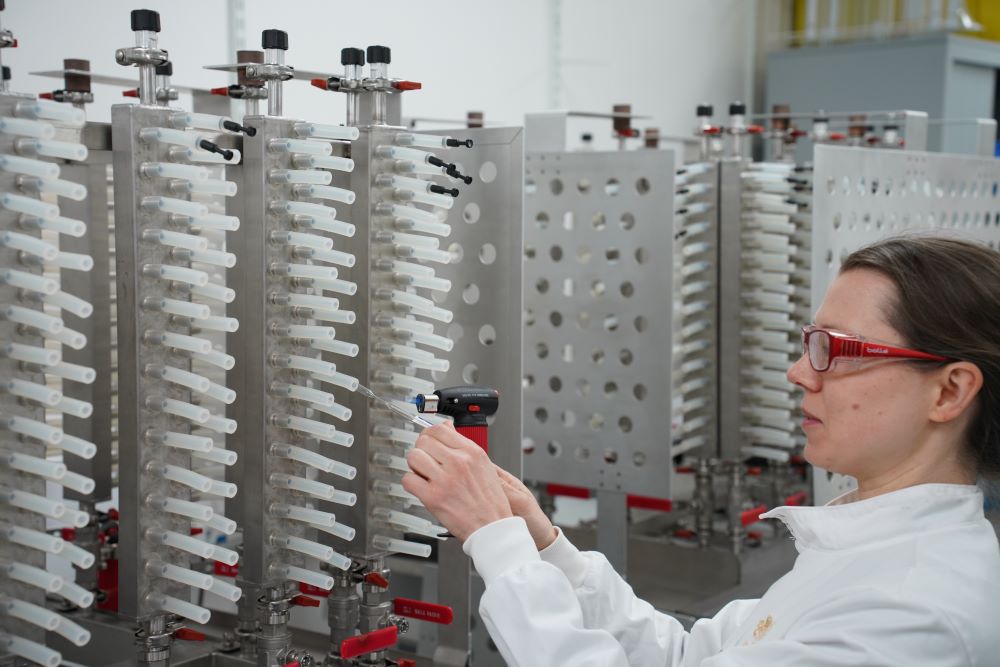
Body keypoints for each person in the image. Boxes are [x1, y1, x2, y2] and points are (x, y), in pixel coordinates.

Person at [403, 235, 1000, 666]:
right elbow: (687, 655)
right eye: (808, 344)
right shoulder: (865, 551)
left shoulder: (912, 613)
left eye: (836, 350)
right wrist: (547, 548)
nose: (799, 373)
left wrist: (496, 542)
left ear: (950, 392)